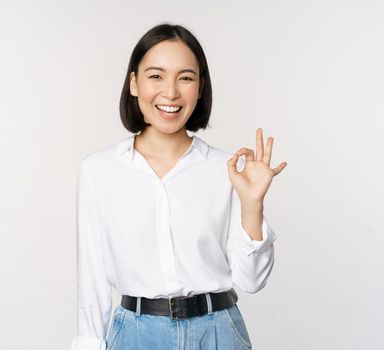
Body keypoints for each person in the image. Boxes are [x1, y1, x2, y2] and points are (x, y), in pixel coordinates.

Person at [71, 23, 287, 350]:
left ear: (200, 87)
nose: (170, 92)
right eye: (156, 76)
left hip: (218, 332)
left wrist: (253, 204)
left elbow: (253, 281)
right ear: (133, 83)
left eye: (185, 77)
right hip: (136, 337)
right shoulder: (99, 171)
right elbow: (92, 284)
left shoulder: (227, 170)